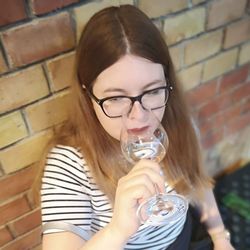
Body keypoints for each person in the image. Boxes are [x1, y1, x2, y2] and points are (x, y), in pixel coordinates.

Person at [37, 5, 235, 250]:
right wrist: (118, 230)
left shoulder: (179, 124)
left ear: (166, 83)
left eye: (152, 91)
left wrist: (221, 238)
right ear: (88, 96)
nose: (139, 118)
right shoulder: (69, 164)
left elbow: (198, 182)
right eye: (116, 98)